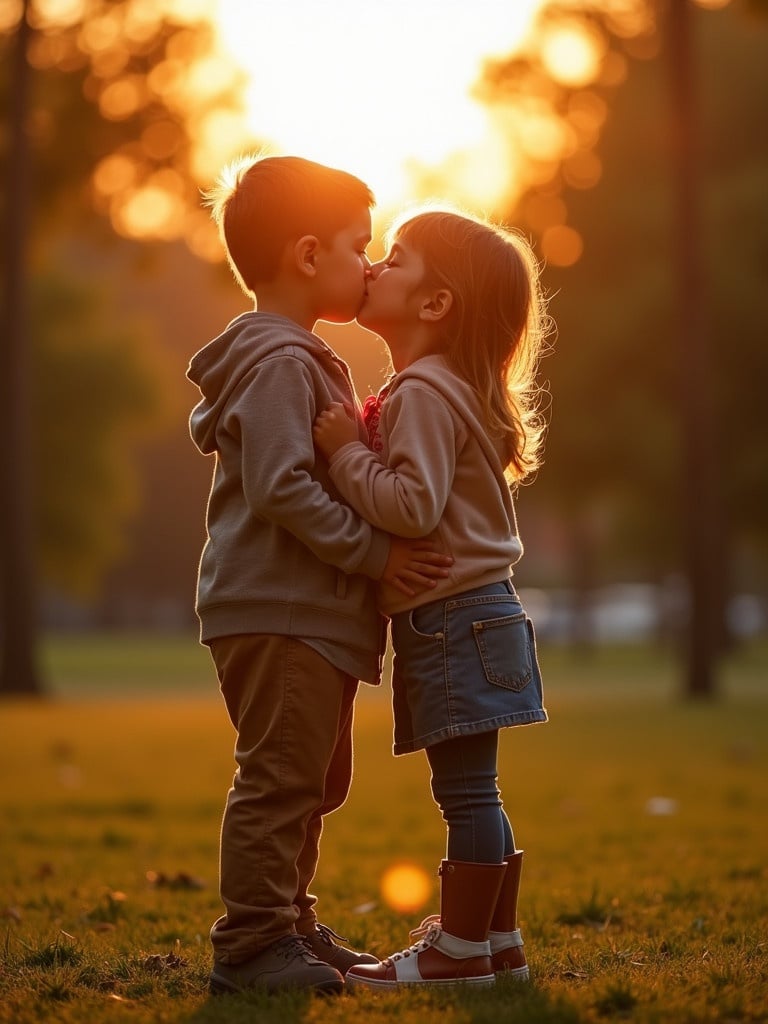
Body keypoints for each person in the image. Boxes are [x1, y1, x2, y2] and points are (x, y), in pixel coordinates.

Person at [187, 156, 453, 997]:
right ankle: (253, 942)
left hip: (310, 611)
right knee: (281, 775)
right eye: (357, 247)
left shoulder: (300, 357)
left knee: (315, 777)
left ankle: (290, 921)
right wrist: (376, 555)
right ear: (308, 257)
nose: (369, 264)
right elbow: (279, 484)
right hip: (280, 607)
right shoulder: (279, 362)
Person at [312, 206, 551, 990]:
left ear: (436, 303)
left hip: (454, 616)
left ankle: (459, 950)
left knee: (466, 792)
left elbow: (411, 506)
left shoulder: (422, 391)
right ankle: (498, 942)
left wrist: (346, 455)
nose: (375, 266)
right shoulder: (450, 387)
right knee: (479, 788)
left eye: (398, 258)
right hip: (484, 613)